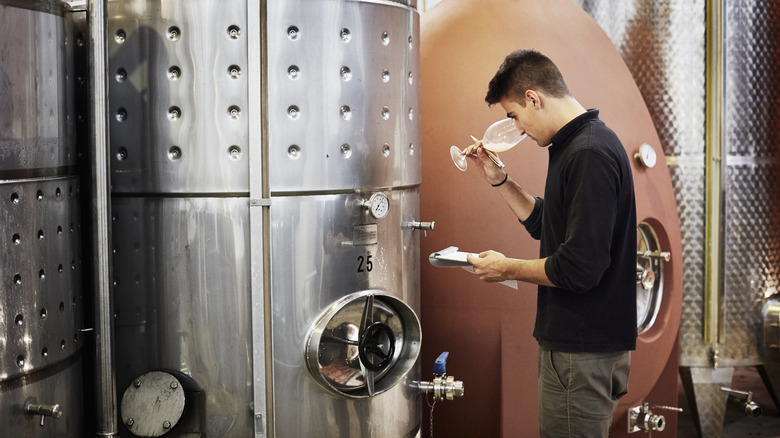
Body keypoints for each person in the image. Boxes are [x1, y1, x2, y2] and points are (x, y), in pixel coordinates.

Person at [463, 49, 637, 437]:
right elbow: (550, 224)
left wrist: (505, 268)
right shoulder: (577, 145)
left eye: (514, 116)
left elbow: (578, 268)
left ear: (533, 99)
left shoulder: (588, 153)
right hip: (584, 349)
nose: (518, 129)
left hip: (580, 350)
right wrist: (499, 179)